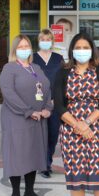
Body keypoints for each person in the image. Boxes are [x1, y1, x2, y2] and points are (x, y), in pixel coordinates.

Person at [54, 33, 99, 196]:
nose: (81, 51)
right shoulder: (63, 72)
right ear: (72, 50)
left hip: (97, 131)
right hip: (71, 132)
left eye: (85, 47)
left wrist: (87, 123)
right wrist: (77, 125)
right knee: (76, 179)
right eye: (77, 48)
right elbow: (59, 105)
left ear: (92, 49)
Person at [0, 35, 53, 196]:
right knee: (17, 154)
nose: (24, 49)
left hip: (38, 118)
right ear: (15, 50)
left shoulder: (36, 67)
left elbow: (46, 88)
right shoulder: (9, 68)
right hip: (17, 118)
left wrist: (47, 108)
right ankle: (16, 192)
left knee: (33, 153)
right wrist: (28, 111)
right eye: (21, 46)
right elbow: (8, 93)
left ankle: (29, 191)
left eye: (27, 46)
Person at [33, 29, 64, 178]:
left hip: (55, 102)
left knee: (52, 135)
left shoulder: (58, 58)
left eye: (48, 39)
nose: (45, 41)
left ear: (52, 41)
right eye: (42, 39)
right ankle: (41, 165)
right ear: (38, 41)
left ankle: (47, 163)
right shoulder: (32, 58)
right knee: (39, 135)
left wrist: (55, 99)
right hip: (37, 102)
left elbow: (63, 80)